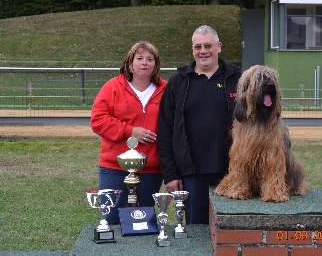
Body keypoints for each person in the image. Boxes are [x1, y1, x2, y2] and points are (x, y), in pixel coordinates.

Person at [157, 25, 242, 224]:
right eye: (198, 47)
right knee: (197, 232)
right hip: (192, 174)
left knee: (229, 230)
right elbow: (165, 129)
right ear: (193, 49)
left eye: (208, 46)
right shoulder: (178, 82)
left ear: (219, 47)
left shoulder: (238, 79)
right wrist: (170, 174)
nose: (203, 51)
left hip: (232, 172)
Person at [91, 41, 167, 225]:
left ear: (156, 65)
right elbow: (98, 120)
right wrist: (130, 131)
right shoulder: (113, 87)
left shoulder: (166, 89)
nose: (144, 63)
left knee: (143, 223)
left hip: (151, 169)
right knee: (112, 222)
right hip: (114, 169)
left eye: (150, 59)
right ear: (130, 63)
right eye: (139, 58)